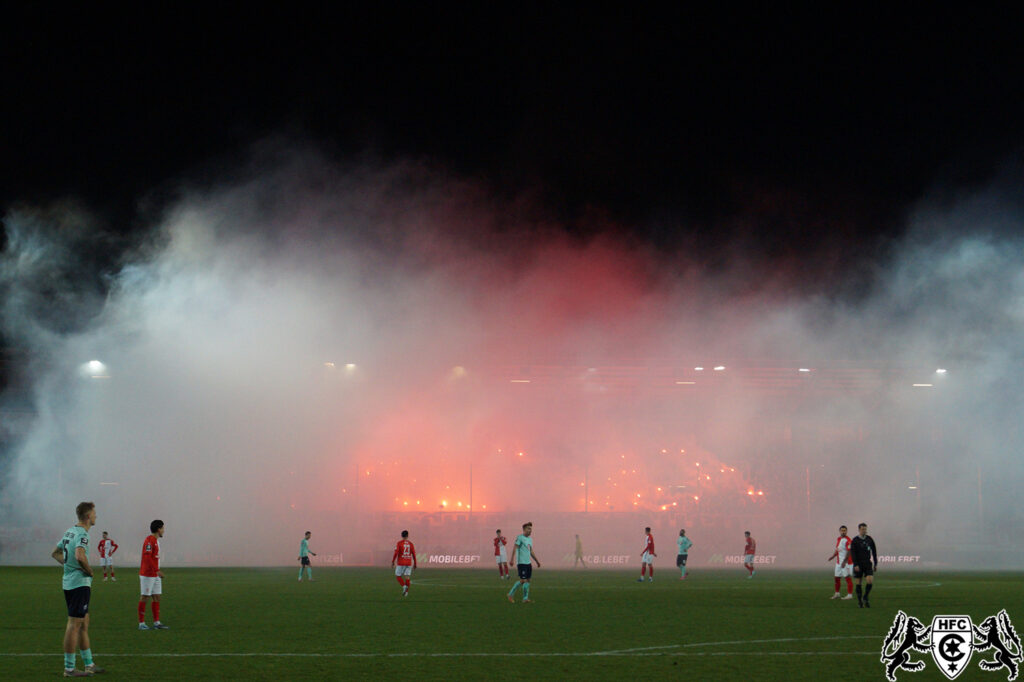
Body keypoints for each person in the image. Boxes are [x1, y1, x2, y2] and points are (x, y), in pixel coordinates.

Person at [51, 501, 105, 677]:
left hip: (70, 582)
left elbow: (55, 553)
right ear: (88, 516)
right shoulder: (82, 534)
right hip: (78, 584)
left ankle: (89, 664)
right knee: (74, 625)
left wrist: (69, 566)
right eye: (94, 513)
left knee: (83, 624)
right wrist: (89, 571)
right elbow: (80, 555)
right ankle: (69, 668)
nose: (96, 516)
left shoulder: (69, 531)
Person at [138, 519, 169, 630]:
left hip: (155, 574)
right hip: (147, 574)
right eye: (163, 528)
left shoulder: (156, 541)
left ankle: (157, 622)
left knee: (157, 597)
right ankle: (141, 624)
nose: (164, 531)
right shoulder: (149, 540)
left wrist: (156, 571)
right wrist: (156, 570)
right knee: (145, 597)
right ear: (158, 529)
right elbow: (147, 557)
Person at [507, 522, 540, 603]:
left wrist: (537, 561)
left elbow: (531, 551)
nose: (530, 530)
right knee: (523, 580)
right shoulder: (520, 538)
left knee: (528, 580)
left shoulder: (530, 539)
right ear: (524, 529)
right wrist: (512, 559)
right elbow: (515, 548)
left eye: (531, 529)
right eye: (529, 529)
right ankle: (510, 594)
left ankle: (525, 598)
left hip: (528, 563)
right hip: (521, 563)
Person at [850, 522, 878, 608]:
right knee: (858, 583)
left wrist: (875, 563)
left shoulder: (869, 539)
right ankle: (860, 602)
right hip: (858, 564)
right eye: (862, 529)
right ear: (859, 530)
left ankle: (865, 597)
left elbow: (874, 552)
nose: (864, 531)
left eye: (865, 529)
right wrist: (855, 564)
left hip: (867, 563)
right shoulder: (855, 540)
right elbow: (853, 553)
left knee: (870, 581)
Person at [827, 525, 855, 600]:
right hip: (839, 562)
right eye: (842, 530)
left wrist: (844, 561)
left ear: (847, 531)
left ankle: (850, 595)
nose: (843, 532)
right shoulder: (839, 539)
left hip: (846, 563)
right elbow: (838, 549)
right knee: (837, 578)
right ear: (839, 531)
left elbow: (849, 551)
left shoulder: (848, 540)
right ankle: (837, 593)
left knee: (847, 578)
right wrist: (833, 556)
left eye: (844, 530)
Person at [391, 530, 417, 596]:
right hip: (408, 562)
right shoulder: (411, 544)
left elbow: (396, 553)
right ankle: (406, 593)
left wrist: (393, 561)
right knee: (407, 577)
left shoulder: (399, 543)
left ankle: (404, 586)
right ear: (407, 536)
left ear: (401, 535)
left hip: (401, 562)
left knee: (398, 575)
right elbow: (413, 554)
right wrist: (415, 563)